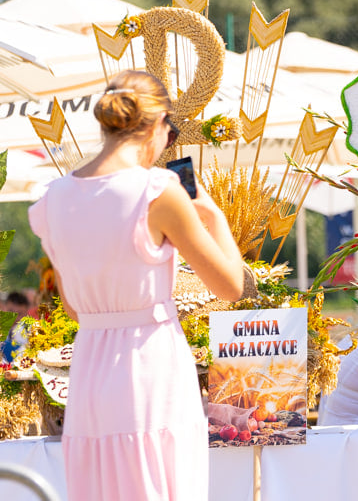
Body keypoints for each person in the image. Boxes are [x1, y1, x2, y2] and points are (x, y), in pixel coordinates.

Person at [28, 70, 245, 501]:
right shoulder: (159, 191)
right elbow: (230, 285)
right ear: (158, 123)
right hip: (151, 364)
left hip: (89, 371)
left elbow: (73, 308)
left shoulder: (52, 200)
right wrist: (215, 218)